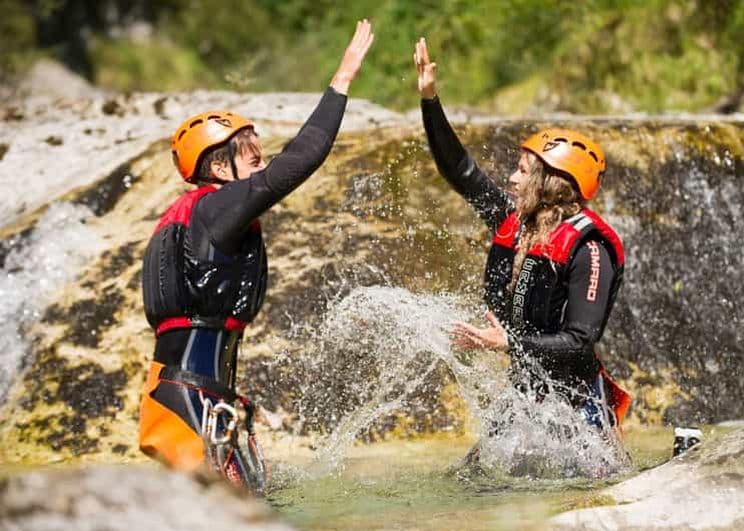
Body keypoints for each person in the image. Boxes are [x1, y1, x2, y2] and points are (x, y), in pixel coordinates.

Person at [139, 20, 374, 494]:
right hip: (189, 400)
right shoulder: (215, 208)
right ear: (219, 167)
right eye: (253, 160)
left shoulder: (205, 216)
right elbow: (301, 160)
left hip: (194, 397)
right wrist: (342, 80)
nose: (263, 169)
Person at [413, 38, 631, 443]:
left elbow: (581, 340)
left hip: (576, 407)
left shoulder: (589, 249)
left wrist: (507, 341)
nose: (512, 179)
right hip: (526, 398)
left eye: (522, 171)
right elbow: (459, 170)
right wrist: (429, 98)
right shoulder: (515, 222)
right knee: (474, 486)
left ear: (550, 183)